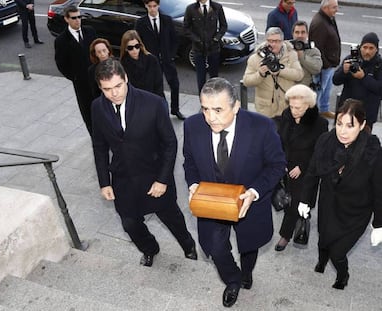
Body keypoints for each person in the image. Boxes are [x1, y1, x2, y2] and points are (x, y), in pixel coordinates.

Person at [183, 77, 286, 307]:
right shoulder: (192, 126)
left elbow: (277, 165)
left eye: (218, 110)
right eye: (205, 109)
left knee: (249, 245)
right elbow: (189, 161)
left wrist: (254, 192)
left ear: (236, 106)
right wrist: (193, 185)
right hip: (213, 204)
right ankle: (233, 279)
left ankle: (247, 272)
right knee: (216, 248)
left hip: (249, 204)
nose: (210, 118)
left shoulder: (261, 127)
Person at [91, 58, 197, 268]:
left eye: (118, 86)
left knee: (171, 217)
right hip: (123, 179)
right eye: (107, 89)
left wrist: (162, 180)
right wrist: (104, 182)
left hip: (154, 176)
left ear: (126, 79)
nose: (114, 93)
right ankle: (149, 248)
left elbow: (170, 144)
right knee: (130, 223)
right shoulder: (97, 107)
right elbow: (99, 146)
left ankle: (188, 245)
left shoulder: (153, 103)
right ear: (100, 88)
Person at [297, 98, 382, 290]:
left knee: (338, 252)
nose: (342, 131)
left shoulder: (373, 151)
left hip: (356, 211)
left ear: (361, 126)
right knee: (323, 238)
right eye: (339, 124)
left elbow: (379, 189)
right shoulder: (326, 141)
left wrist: (379, 224)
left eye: (350, 126)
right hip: (329, 202)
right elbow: (312, 172)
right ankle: (321, 261)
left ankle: (343, 275)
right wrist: (305, 200)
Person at [274, 84, 328, 251]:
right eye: (291, 106)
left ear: (308, 105)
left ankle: (285, 235)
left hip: (306, 172)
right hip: (286, 168)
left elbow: (319, 152)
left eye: (298, 108)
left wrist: (302, 167)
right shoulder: (286, 115)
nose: (293, 111)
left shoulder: (319, 124)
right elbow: (280, 141)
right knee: (284, 200)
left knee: (295, 204)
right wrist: (281, 161)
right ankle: (297, 219)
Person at [135, 0, 185, 120]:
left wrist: (172, 55)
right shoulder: (141, 23)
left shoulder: (167, 20)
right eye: (150, 6)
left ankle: (175, 109)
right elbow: (139, 42)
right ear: (146, 6)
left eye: (154, 6)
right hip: (151, 61)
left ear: (158, 6)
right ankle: (160, 112)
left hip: (167, 60)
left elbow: (175, 39)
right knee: (156, 87)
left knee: (174, 84)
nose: (152, 9)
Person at [243, 27, 303, 122]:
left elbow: (299, 75)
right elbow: (246, 81)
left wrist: (280, 71)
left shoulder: (291, 55)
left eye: (277, 41)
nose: (273, 44)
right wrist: (260, 74)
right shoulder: (256, 58)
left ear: (282, 41)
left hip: (285, 108)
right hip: (265, 109)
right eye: (270, 41)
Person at [54, 5, 96, 135]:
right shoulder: (61, 41)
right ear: (67, 19)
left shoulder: (90, 32)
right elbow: (61, 64)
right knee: (88, 114)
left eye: (79, 17)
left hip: (97, 80)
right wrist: (75, 77)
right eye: (74, 18)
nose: (78, 20)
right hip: (82, 84)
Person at [333, 32, 382, 132]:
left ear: (376, 49)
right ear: (360, 47)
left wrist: (363, 77)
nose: (367, 51)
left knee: (363, 145)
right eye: (365, 47)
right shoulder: (351, 60)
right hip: (346, 112)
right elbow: (335, 80)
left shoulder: (379, 65)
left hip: (366, 116)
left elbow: (379, 89)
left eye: (371, 48)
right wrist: (343, 71)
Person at [184, 0, 227, 94]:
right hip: (198, 49)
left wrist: (216, 38)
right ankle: (203, 99)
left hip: (213, 48)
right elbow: (186, 28)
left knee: (214, 77)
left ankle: (215, 97)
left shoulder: (217, 7)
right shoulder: (191, 9)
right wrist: (196, 40)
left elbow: (224, 26)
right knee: (200, 77)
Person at [309, 0, 341, 119]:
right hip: (324, 66)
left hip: (329, 64)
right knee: (319, 91)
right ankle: (314, 114)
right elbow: (317, 48)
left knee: (327, 90)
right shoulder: (319, 23)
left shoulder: (328, 18)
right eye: (334, 7)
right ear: (325, 8)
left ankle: (324, 109)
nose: (336, 10)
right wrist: (326, 64)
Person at [120, 30, 165, 99]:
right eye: (130, 48)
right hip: (134, 102)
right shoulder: (122, 64)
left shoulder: (151, 60)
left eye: (137, 46)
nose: (134, 50)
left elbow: (158, 84)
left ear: (140, 45)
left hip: (152, 99)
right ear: (125, 48)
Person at [291, 20, 323, 87]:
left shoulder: (313, 51)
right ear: (292, 34)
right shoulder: (286, 47)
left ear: (307, 34)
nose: (300, 35)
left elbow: (317, 69)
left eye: (303, 32)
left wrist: (302, 56)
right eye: (297, 32)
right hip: (287, 89)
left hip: (304, 89)